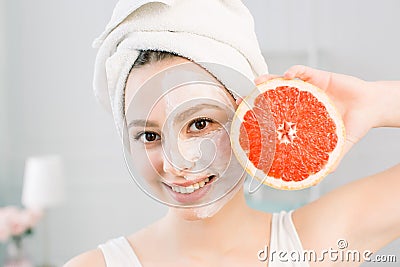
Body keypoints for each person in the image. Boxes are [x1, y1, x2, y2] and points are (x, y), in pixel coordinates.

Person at [65, 1, 400, 266]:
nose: (175, 162)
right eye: (149, 136)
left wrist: (372, 102)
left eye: (199, 124)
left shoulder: (317, 243)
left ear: (249, 116)